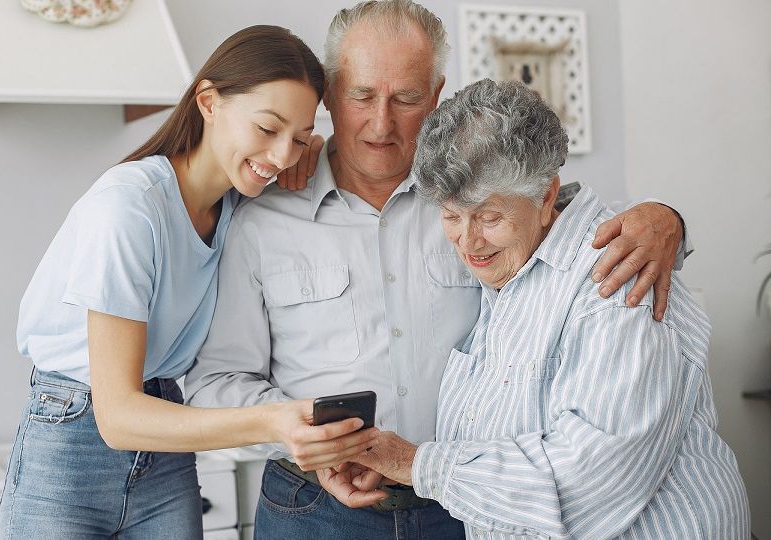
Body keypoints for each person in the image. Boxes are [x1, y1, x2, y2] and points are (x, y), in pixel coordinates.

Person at [185, 1, 690, 538]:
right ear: (329, 93)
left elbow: (569, 232)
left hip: (467, 505)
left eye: (406, 98)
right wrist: (313, 438)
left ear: (435, 94)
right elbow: (215, 383)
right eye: (361, 95)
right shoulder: (260, 212)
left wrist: (668, 220)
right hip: (312, 508)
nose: (381, 124)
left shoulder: (473, 198)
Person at [0, 26, 377, 539]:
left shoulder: (239, 207)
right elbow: (118, 416)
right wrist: (276, 423)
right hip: (73, 437)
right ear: (208, 101)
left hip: (168, 437)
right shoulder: (129, 210)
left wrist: (316, 149)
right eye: (267, 128)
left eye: (300, 137)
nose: (284, 155)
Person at [349, 78, 750, 539]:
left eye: (489, 216)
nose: (468, 240)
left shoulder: (615, 278)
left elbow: (590, 483)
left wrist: (419, 465)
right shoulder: (506, 269)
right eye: (451, 215)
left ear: (544, 197)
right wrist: (405, 467)